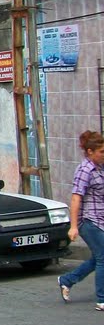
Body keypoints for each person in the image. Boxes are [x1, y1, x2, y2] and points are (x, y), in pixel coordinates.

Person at [57, 130, 104, 311]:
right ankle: (101, 299)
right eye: (101, 152)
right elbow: (76, 198)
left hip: (100, 219)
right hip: (89, 221)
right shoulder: (84, 170)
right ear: (90, 151)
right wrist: (74, 226)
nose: (103, 155)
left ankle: (67, 280)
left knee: (98, 257)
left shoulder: (100, 167)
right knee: (103, 258)